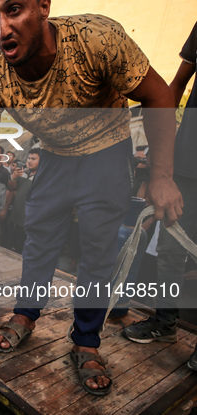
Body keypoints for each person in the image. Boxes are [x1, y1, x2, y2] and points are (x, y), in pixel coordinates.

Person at [0, 0, 183, 396]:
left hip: (107, 148)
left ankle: (86, 340)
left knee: (97, 249)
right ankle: (25, 314)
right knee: (39, 239)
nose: (2, 27)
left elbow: (158, 96)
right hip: (54, 153)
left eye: (14, 9)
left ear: (43, 7)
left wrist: (161, 176)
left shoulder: (95, 38)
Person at [124, 22, 197, 357]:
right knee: (171, 250)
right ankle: (165, 323)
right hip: (188, 159)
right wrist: (160, 149)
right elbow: (176, 85)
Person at [7, 148, 40, 253]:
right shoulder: (24, 172)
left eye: (33, 159)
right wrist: (13, 177)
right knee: (16, 247)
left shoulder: (42, 177)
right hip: (18, 219)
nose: (30, 161)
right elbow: (12, 187)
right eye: (29, 158)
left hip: (31, 221)